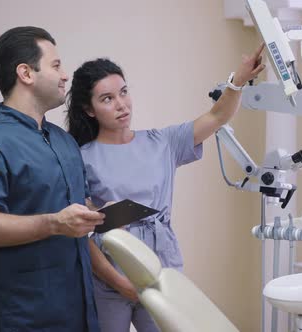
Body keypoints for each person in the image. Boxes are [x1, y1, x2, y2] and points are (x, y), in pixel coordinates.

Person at [65, 44, 265, 332]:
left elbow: (217, 117)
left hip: (162, 269)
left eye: (124, 92)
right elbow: (84, 234)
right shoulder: (81, 157)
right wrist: (120, 283)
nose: (121, 104)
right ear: (89, 109)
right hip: (109, 276)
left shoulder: (163, 142)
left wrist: (238, 81)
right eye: (107, 99)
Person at [0, 26, 104, 332]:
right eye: (56, 65)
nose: (65, 76)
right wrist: (53, 223)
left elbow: (75, 205)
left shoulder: (64, 142)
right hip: (23, 316)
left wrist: (102, 214)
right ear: (26, 73)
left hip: (79, 311)